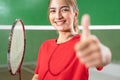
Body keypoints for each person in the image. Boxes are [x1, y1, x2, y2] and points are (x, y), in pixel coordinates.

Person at [32, 0, 112, 80]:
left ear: (75, 14)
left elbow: (103, 58)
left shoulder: (83, 44)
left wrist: (105, 55)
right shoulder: (45, 46)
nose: (58, 16)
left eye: (64, 10)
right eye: (53, 11)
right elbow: (37, 75)